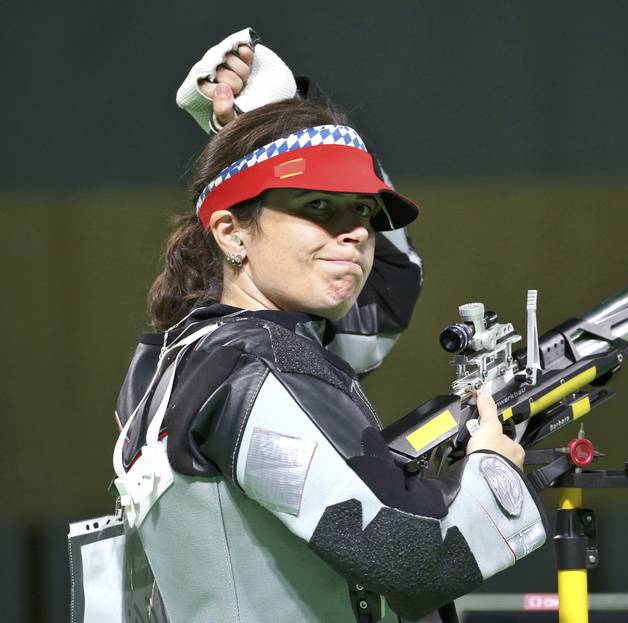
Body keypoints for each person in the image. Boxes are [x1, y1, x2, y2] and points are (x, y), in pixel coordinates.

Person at [113, 30, 547, 623]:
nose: (356, 231)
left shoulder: (182, 357)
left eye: (364, 212)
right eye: (317, 205)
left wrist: (282, 111)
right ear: (231, 232)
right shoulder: (264, 368)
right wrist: (494, 466)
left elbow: (390, 284)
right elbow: (422, 556)